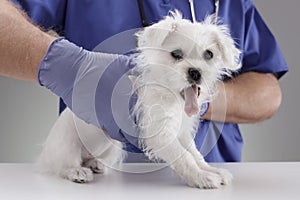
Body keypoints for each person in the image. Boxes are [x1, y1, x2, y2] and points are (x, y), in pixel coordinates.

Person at [0, 0, 288, 162]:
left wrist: (196, 100)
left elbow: (267, 91)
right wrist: (70, 68)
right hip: (94, 179)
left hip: (210, 182)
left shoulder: (230, 4)